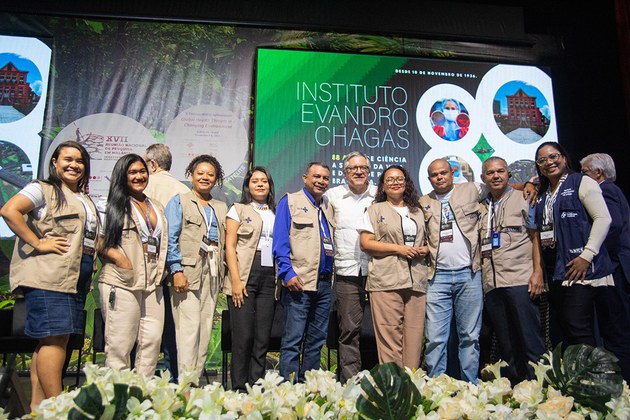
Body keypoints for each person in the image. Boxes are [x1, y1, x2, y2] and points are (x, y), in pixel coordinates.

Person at [1, 141, 98, 409]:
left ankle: (39, 407)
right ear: (54, 162)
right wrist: (38, 242)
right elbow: (10, 210)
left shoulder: (82, 196)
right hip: (49, 275)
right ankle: (60, 406)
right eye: (67, 159)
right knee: (55, 339)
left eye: (79, 161)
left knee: (53, 340)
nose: (74, 165)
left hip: (74, 275)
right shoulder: (42, 189)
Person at [534, 142, 614, 352]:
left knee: (578, 325)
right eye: (542, 160)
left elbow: (603, 219)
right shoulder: (543, 192)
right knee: (565, 329)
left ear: (564, 157)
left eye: (553, 156)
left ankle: (592, 377)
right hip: (556, 269)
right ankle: (574, 378)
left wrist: (587, 255)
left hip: (581, 267)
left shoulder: (582, 182)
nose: (549, 163)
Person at [98, 154, 168, 377]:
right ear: (122, 175)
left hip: (153, 283)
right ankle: (117, 400)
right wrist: (121, 259)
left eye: (142, 171)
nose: (139, 176)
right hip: (122, 281)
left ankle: (142, 396)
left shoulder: (155, 206)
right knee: (120, 343)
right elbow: (98, 239)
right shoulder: (109, 205)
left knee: (152, 341)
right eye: (133, 172)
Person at [478, 156, 545, 385]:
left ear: (508, 174)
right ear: (482, 178)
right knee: (506, 344)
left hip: (520, 279)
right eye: (490, 173)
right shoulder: (481, 206)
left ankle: (542, 390)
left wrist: (538, 273)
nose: (496, 176)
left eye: (500, 171)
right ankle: (516, 393)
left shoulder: (525, 198)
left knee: (530, 340)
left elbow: (535, 238)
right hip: (492, 284)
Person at [419, 158, 484, 383]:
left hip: (470, 273)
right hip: (437, 277)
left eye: (443, 173)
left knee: (469, 337)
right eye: (434, 175)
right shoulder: (423, 202)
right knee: (435, 338)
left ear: (452, 173)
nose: (439, 177)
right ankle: (436, 388)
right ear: (429, 179)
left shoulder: (471, 189)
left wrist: (530, 186)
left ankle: (470, 387)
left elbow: (500, 186)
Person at [358, 165, 429, 369]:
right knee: (389, 337)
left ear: (406, 183)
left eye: (399, 178)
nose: (395, 182)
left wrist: (425, 249)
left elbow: (430, 240)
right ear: (383, 186)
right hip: (386, 280)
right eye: (389, 179)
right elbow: (366, 244)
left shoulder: (418, 211)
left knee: (414, 337)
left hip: (416, 281)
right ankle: (393, 387)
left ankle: (411, 386)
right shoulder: (374, 210)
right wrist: (399, 249)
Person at [165, 154, 227, 384]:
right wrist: (176, 270)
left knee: (203, 333)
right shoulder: (179, 201)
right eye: (200, 173)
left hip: (211, 275)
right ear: (191, 175)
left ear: (216, 179)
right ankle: (184, 386)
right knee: (188, 333)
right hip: (187, 274)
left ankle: (194, 382)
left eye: (210, 174)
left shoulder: (220, 207)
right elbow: (170, 238)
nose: (205, 178)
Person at [272, 162, 335, 383]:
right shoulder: (289, 202)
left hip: (325, 285)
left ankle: (310, 389)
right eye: (316, 176)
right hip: (299, 283)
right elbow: (280, 242)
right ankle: (289, 391)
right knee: (292, 341)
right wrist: (287, 274)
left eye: (325, 178)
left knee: (316, 341)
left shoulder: (328, 205)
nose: (321, 181)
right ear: (305, 177)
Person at [324, 151, 377, 383]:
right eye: (353, 168)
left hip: (378, 270)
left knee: (385, 328)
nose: (358, 171)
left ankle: (383, 378)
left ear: (368, 171)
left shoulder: (380, 195)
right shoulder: (332, 196)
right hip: (346, 272)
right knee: (349, 330)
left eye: (362, 168)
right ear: (345, 173)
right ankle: (351, 382)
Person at [224, 166, 277, 391]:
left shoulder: (276, 212)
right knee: (243, 336)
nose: (260, 184)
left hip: (269, 275)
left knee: (262, 336)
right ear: (248, 185)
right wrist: (236, 281)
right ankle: (238, 387)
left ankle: (257, 386)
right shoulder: (238, 209)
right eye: (255, 181)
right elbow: (230, 246)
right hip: (245, 273)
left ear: (269, 185)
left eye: (264, 181)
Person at [579, 152, 630, 381]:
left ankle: (623, 385)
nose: (582, 178)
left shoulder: (606, 190)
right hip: (616, 266)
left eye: (585, 173)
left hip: (615, 267)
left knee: (616, 330)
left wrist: (592, 254)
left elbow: (613, 225)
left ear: (597, 173)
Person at [143, 143, 189, 382]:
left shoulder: (142, 186)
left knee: (142, 328)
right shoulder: (183, 190)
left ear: (152, 164)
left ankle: (138, 380)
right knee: (172, 329)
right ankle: (172, 381)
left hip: (145, 269)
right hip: (175, 270)